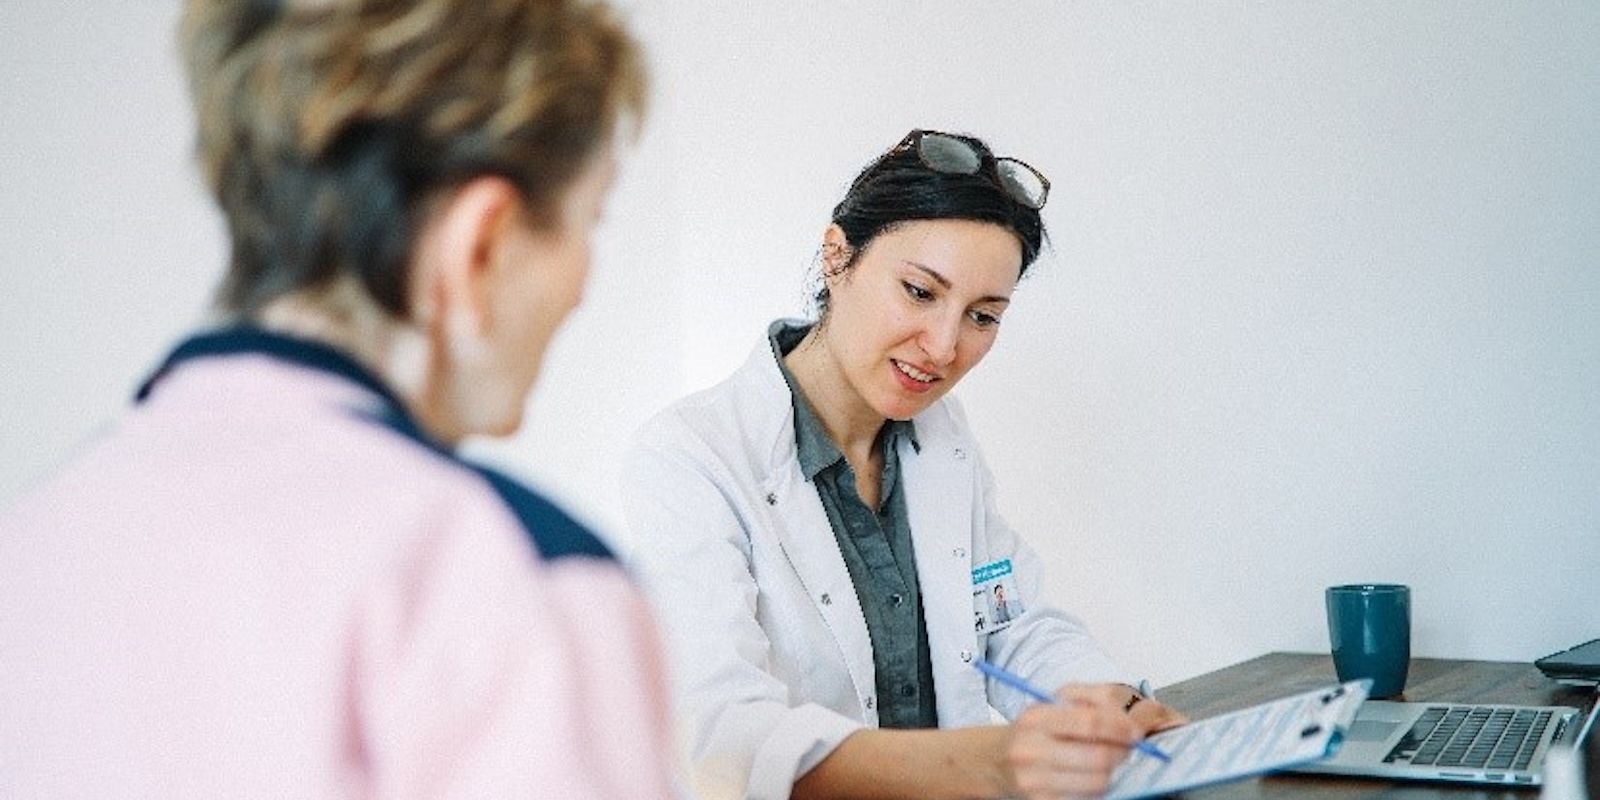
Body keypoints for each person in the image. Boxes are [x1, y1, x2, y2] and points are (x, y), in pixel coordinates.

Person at [0, 1, 674, 797]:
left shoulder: (36, 538)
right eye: (585, 222)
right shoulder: (516, 579)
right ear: (478, 243)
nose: (585, 286)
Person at [618, 129, 1187, 800]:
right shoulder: (690, 457)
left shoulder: (941, 437)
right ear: (837, 258)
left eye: (982, 315)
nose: (945, 346)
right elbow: (721, 736)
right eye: (920, 292)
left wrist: (1111, 709)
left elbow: (1012, 624)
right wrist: (994, 762)